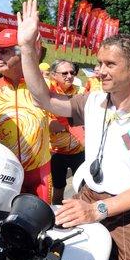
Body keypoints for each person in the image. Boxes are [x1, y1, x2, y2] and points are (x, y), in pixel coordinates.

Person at [17, 0, 130, 260]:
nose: (99, 71)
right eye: (99, 63)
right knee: (54, 259)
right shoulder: (92, 100)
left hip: (129, 209)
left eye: (109, 64)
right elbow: (43, 99)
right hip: (88, 194)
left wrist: (96, 211)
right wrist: (27, 48)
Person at [0, 28, 53, 203]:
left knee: (41, 221)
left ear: (23, 54)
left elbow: (61, 121)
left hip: (40, 171)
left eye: (4, 52)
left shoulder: (45, 86)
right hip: (7, 172)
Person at [48, 59, 85, 204]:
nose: (69, 76)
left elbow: (86, 121)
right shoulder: (48, 94)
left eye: (72, 72)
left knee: (83, 189)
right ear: (53, 75)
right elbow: (49, 126)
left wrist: (62, 124)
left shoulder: (81, 92)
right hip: (57, 152)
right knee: (58, 190)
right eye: (64, 73)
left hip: (79, 151)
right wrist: (72, 123)